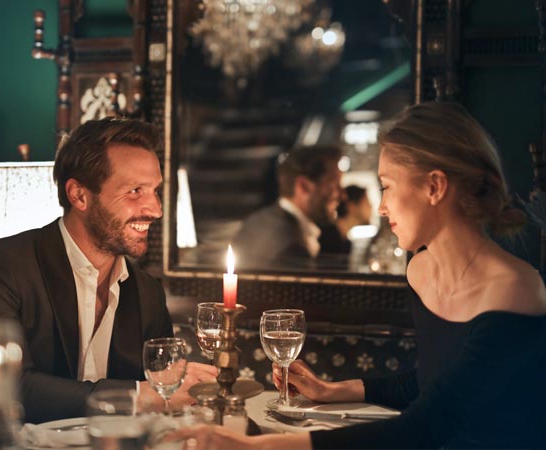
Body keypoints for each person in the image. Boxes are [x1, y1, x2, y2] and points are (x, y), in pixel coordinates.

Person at [167, 102, 546, 449]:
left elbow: (426, 426)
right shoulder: (421, 270)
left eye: (387, 186)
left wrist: (258, 447)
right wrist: (333, 390)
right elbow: (432, 380)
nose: (380, 207)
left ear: (434, 186)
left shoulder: (514, 290)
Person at [0, 117, 216, 424]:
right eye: (135, 190)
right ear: (79, 195)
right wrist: (137, 395)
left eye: (155, 190)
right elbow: (3, 387)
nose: (155, 209)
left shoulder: (147, 292)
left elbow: (163, 397)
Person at [232, 145, 342, 269]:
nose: (342, 195)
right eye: (334, 184)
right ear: (304, 186)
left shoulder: (258, 220)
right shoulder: (291, 246)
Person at [319, 185, 372, 256]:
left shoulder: (346, 242)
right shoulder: (325, 238)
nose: (371, 207)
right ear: (351, 206)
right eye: (366, 203)